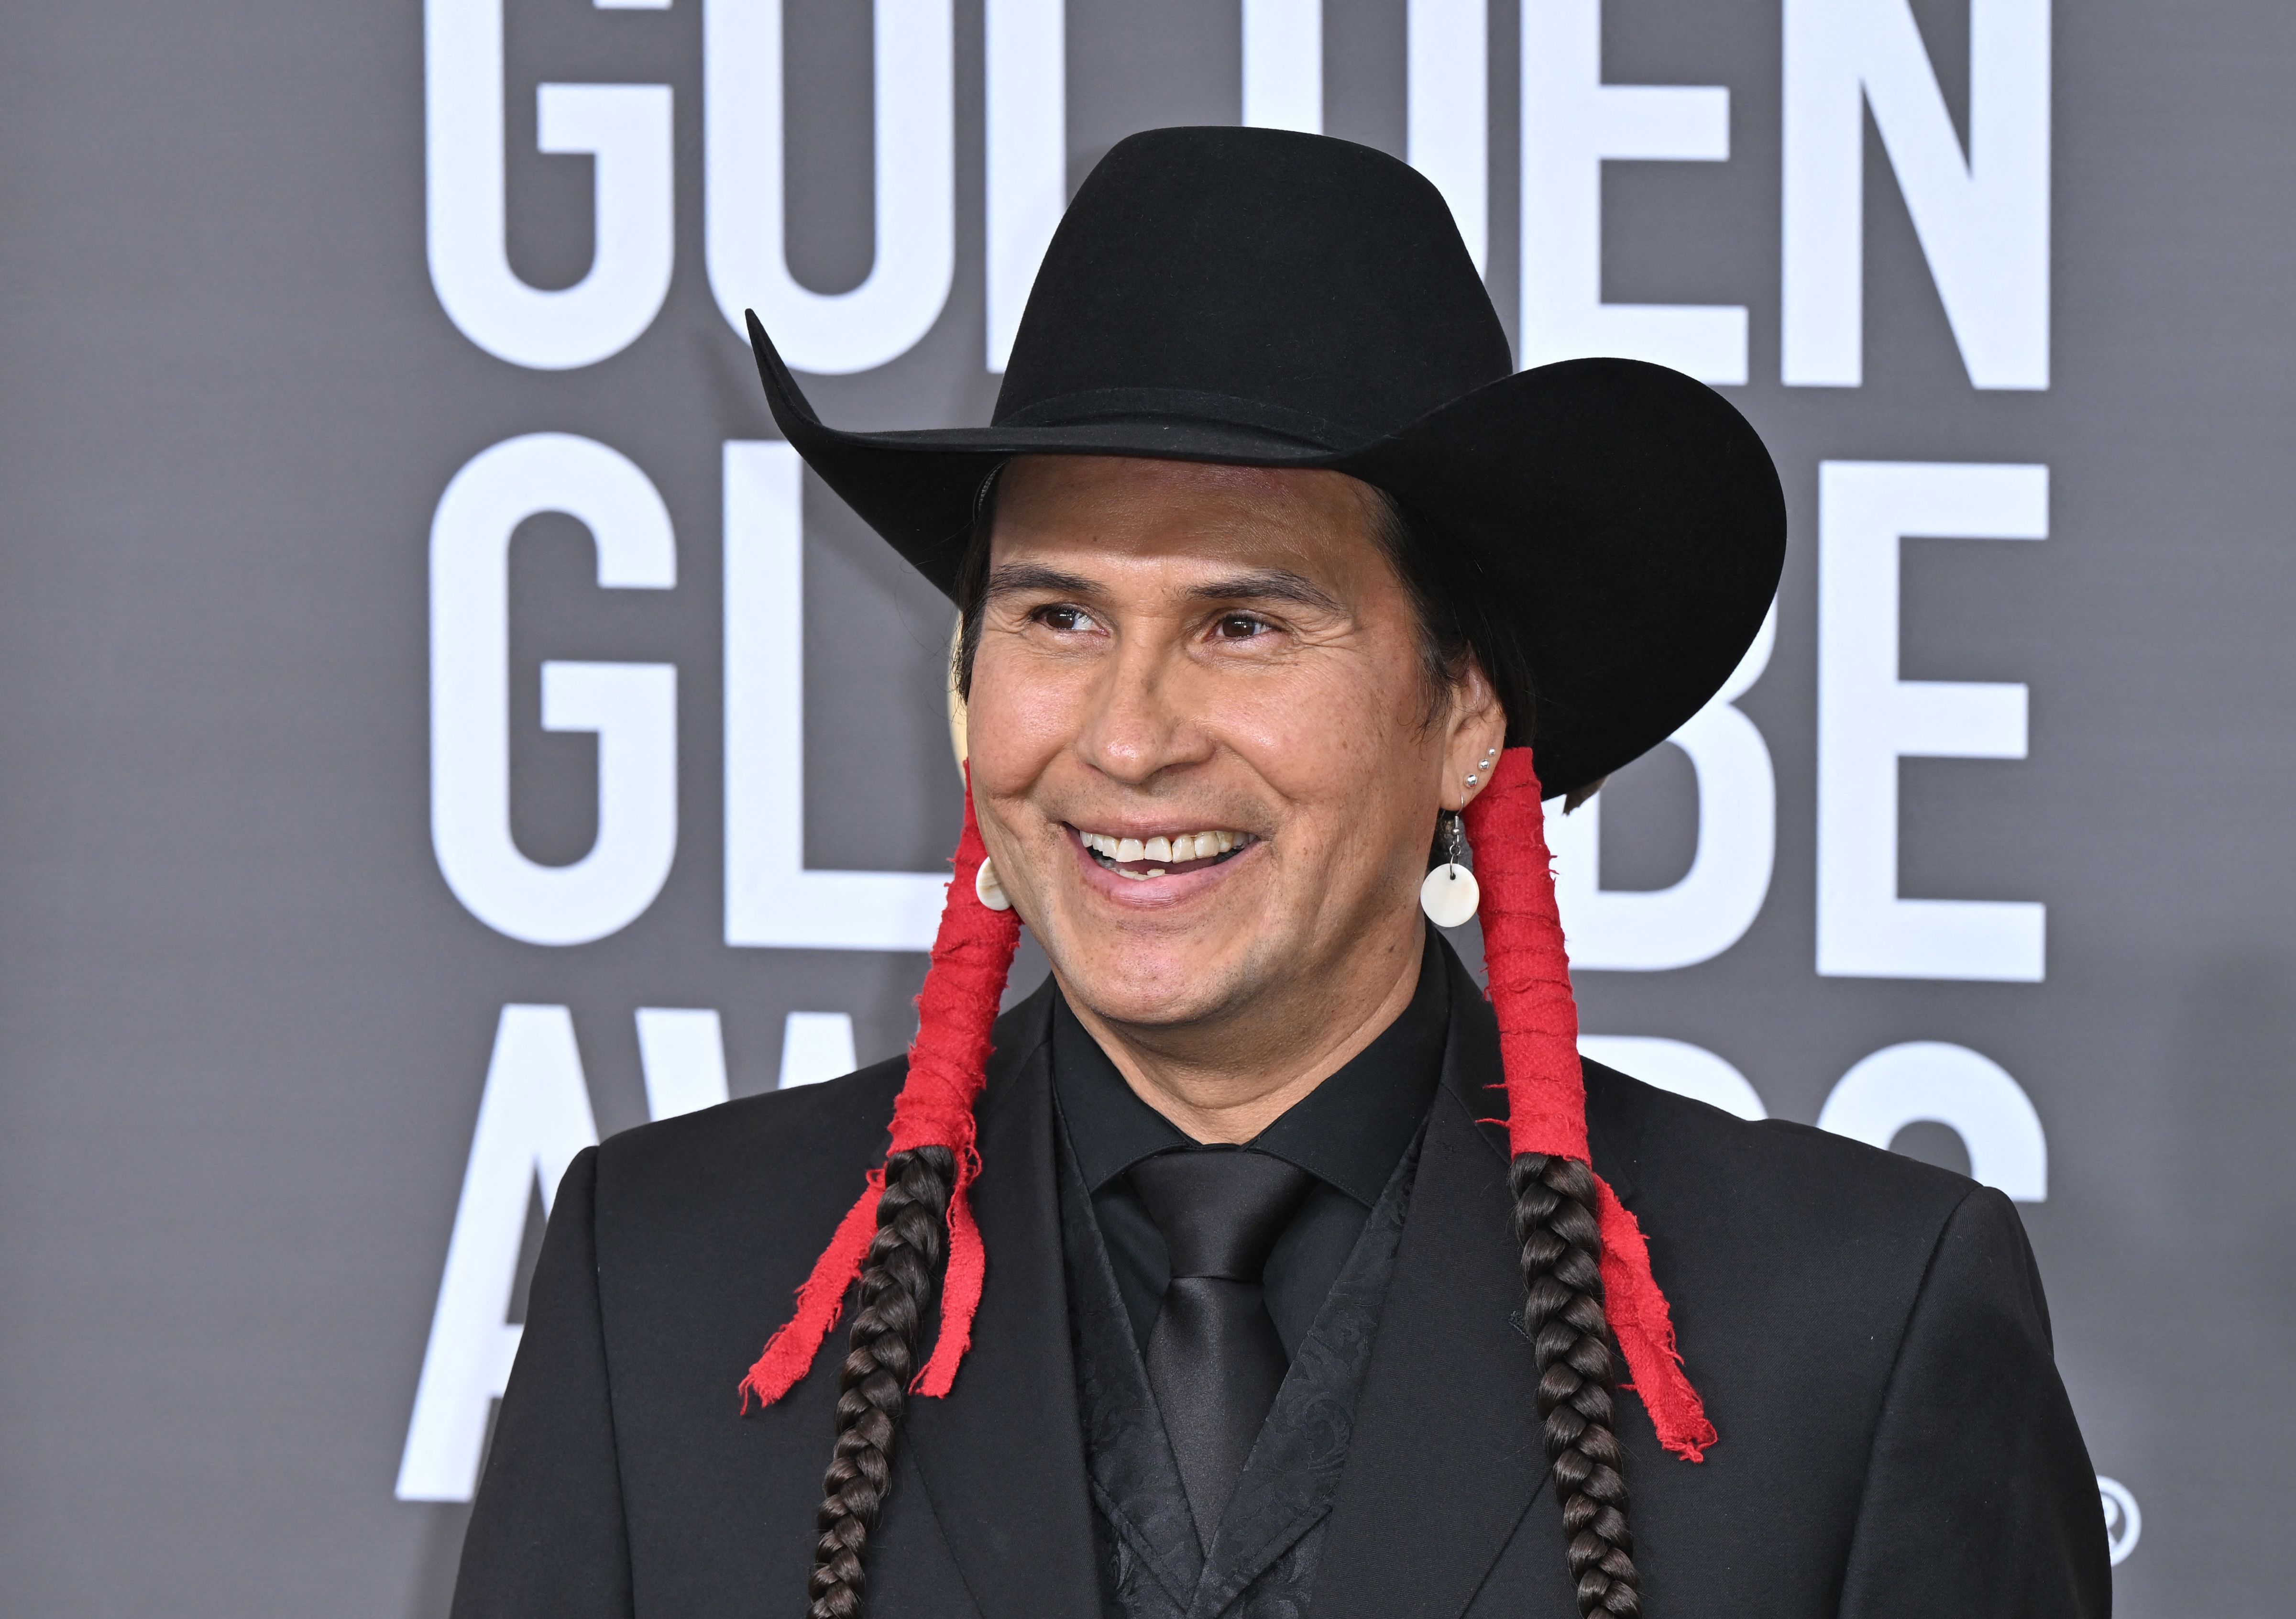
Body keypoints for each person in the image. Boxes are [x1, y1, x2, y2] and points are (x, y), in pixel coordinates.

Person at [451, 127, 2108, 1619]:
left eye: (1244, 622)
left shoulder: (1851, 1327)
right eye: (1059, 615)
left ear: (1466, 710)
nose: (1128, 734)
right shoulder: (664, 1288)